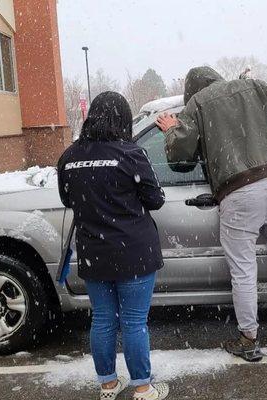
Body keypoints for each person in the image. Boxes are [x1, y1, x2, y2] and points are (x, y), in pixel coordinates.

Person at [156, 67, 267, 362]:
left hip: (237, 192)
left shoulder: (196, 105)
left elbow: (181, 154)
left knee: (243, 270)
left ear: (191, 90)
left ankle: (249, 339)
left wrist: (173, 129)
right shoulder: (252, 87)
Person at [58, 92, 169, 400]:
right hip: (134, 251)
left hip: (94, 254)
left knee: (104, 319)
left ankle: (108, 384)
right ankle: (143, 388)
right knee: (134, 322)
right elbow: (155, 199)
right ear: (122, 119)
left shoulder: (69, 157)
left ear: (91, 116)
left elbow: (67, 199)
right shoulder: (130, 153)